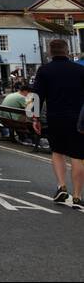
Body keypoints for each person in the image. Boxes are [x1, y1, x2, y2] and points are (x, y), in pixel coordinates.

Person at [31, 38, 84, 208]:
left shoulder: (44, 70)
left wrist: (35, 118)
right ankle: (77, 196)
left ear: (50, 52)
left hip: (55, 117)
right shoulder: (80, 70)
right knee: (77, 156)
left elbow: (36, 96)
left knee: (58, 152)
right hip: (78, 118)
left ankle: (61, 186)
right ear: (67, 51)